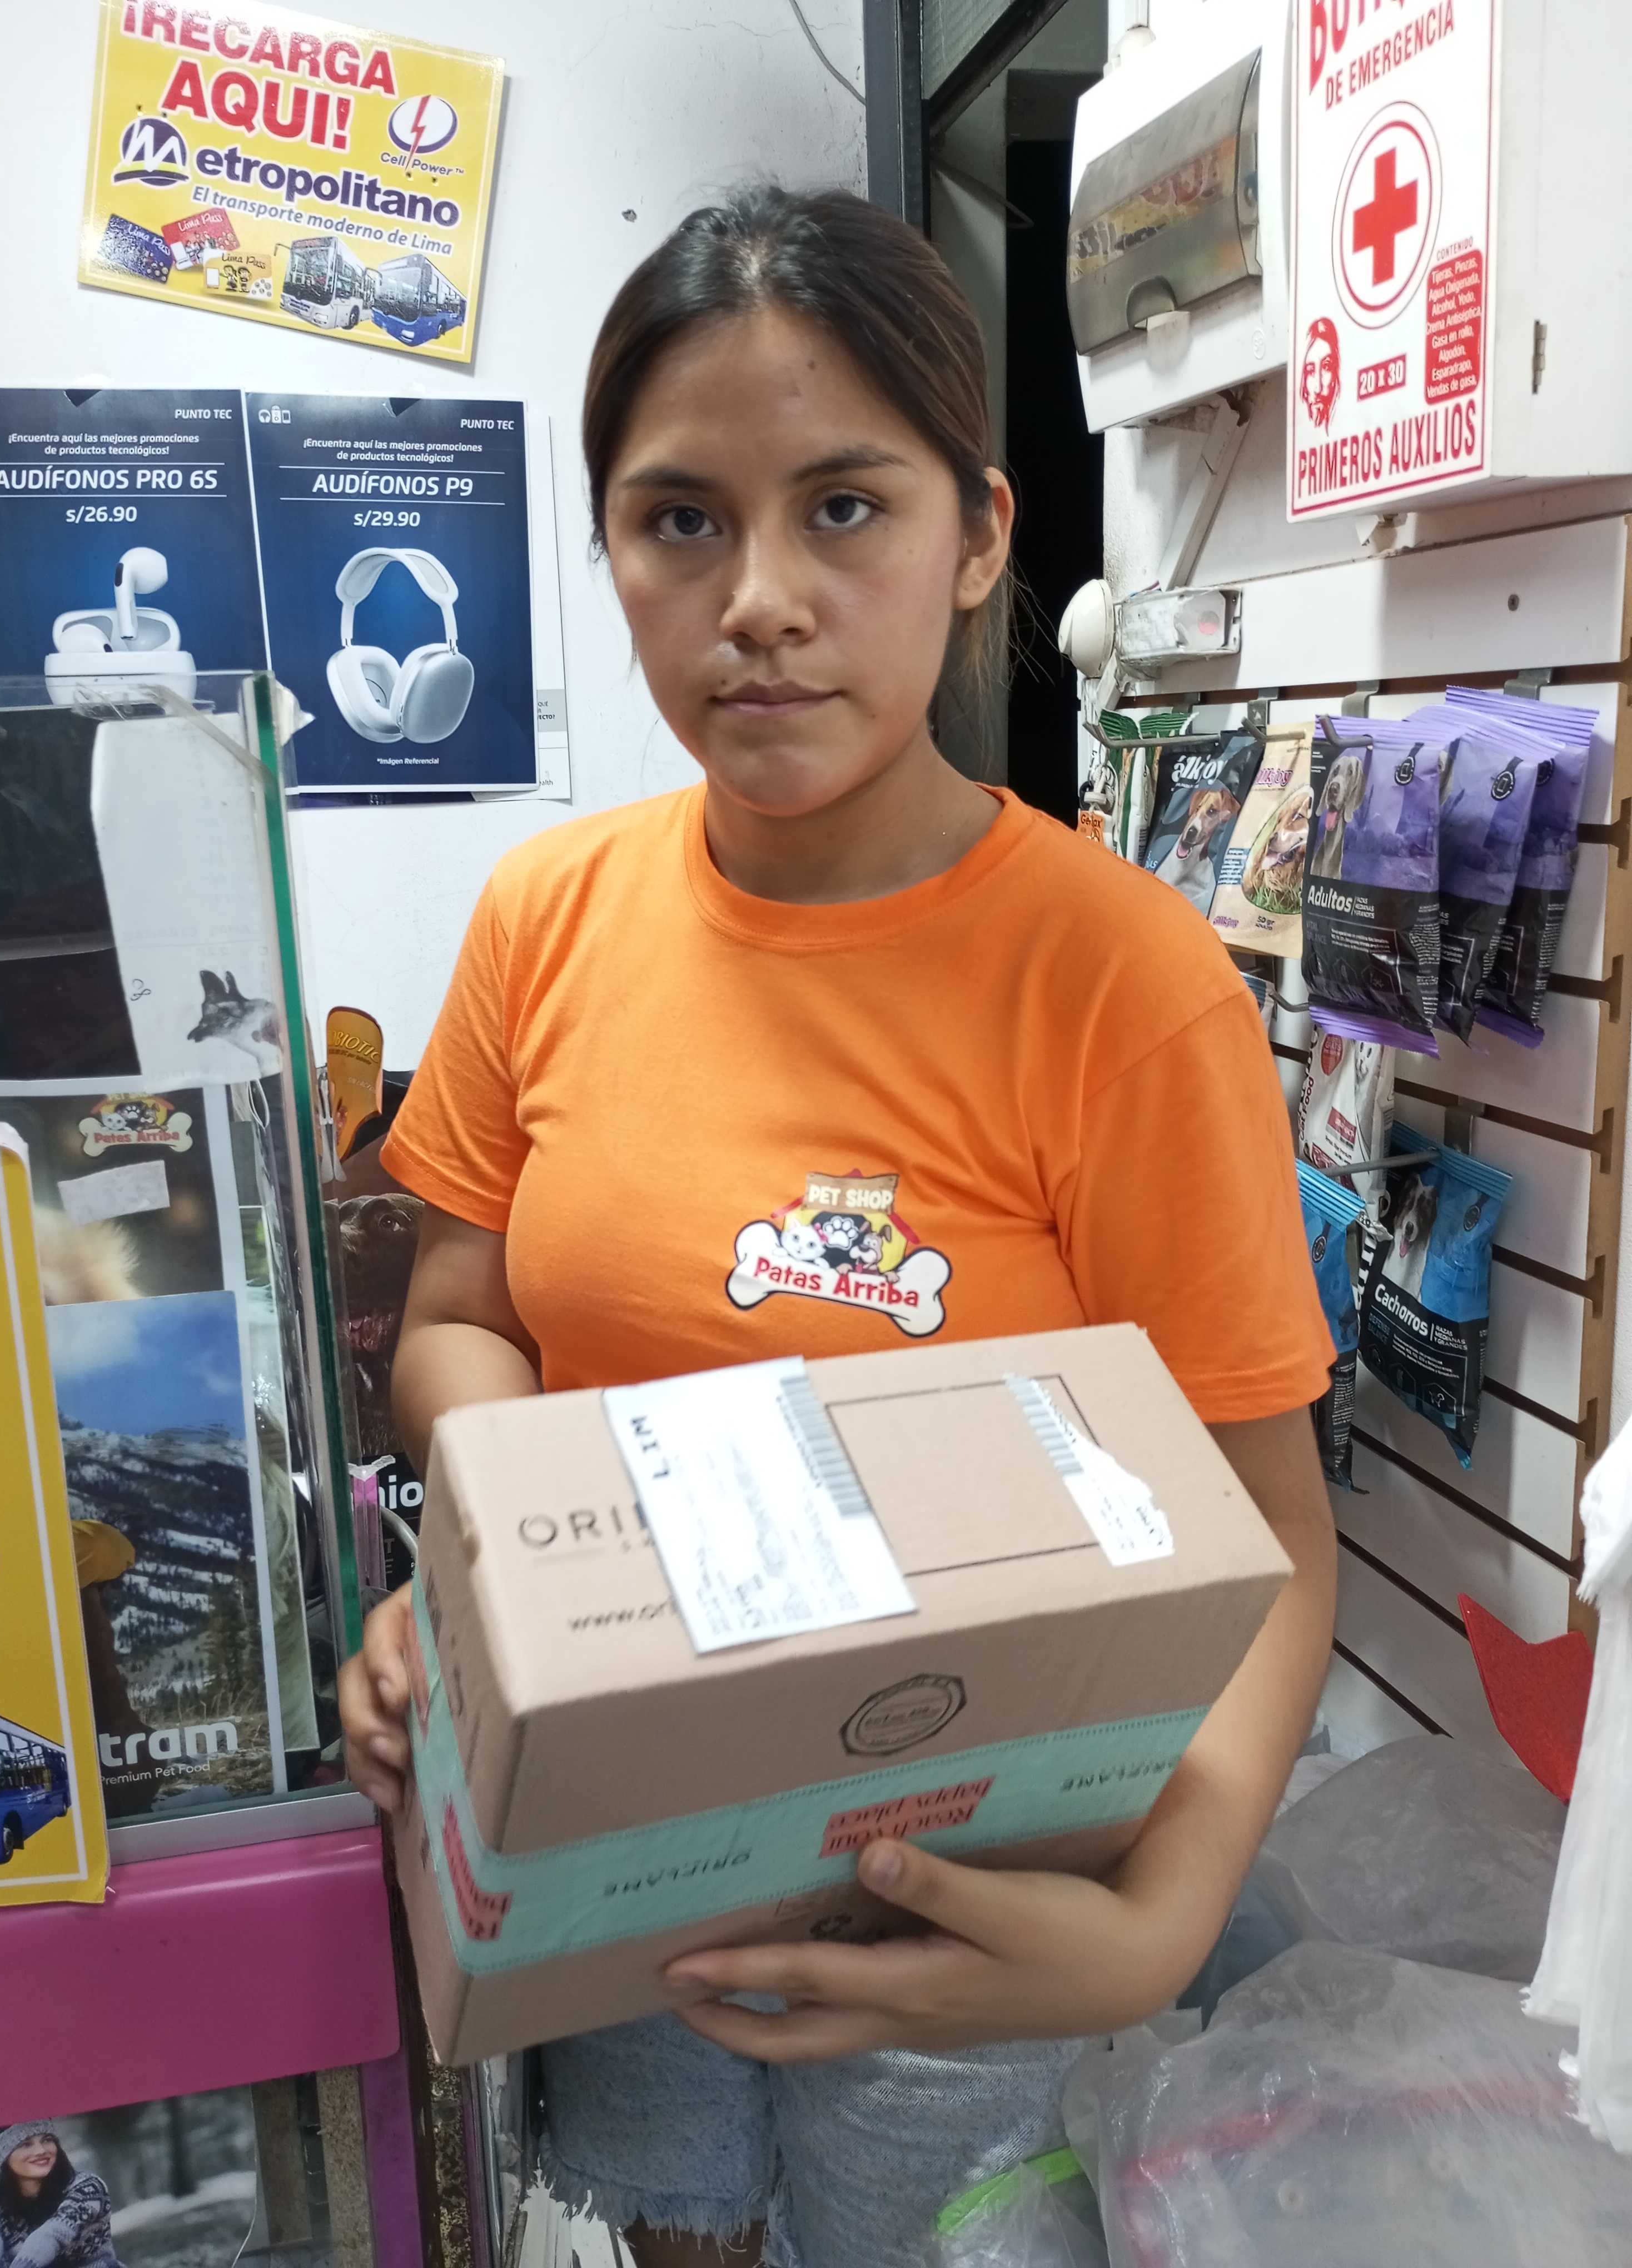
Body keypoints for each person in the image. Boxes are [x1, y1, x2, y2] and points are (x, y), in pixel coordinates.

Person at [340, 185, 1337, 2268]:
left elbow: (1266, 1517)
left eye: (846, 508)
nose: (761, 601)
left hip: (979, 1875)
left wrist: (1153, 1922)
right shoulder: (547, 916)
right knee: (678, 2231)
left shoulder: (1120, 983)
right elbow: (458, 1311)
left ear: (978, 538)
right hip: (623, 1828)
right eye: (679, 520)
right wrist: (501, 1580)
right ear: (610, 549)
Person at [0, 2127, 119, 2268]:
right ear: (4, 2156)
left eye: (47, 2140)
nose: (41, 2151)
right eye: (26, 2144)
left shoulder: (88, 2187)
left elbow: (53, 2235)